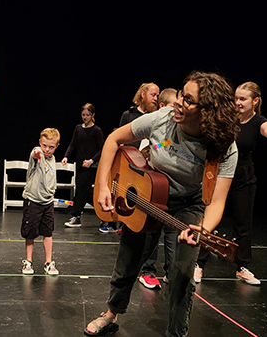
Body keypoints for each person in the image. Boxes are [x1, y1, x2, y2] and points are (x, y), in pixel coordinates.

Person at [84, 71, 239, 337]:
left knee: (182, 274)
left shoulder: (223, 147)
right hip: (146, 192)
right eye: (181, 94)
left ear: (208, 112)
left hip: (187, 203)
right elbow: (113, 140)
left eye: (188, 100)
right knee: (128, 262)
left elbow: (216, 202)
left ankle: (176, 332)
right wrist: (102, 188)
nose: (179, 102)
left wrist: (202, 229)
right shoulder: (162, 119)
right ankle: (111, 313)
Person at [195, 81, 267, 286]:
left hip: (243, 176)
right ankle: (198, 263)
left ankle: (241, 266)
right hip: (218, 174)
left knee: (243, 223)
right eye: (236, 98)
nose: (237, 102)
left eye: (242, 99)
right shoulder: (227, 117)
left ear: (255, 101)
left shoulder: (258, 121)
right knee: (209, 218)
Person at [136, 88, 180, 290]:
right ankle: (147, 271)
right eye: (174, 106)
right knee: (150, 236)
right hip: (153, 194)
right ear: (163, 107)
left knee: (173, 237)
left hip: (173, 194)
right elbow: (147, 153)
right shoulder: (153, 132)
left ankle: (172, 272)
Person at [21, 128, 61, 276]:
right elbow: (35, 152)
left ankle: (48, 262)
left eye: (51, 147)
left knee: (48, 233)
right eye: (44, 145)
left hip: (48, 203)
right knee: (30, 234)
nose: (47, 150)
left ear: (56, 146)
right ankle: (28, 261)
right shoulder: (38, 155)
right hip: (33, 201)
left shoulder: (53, 159)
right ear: (40, 143)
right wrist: (37, 153)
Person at [62, 103, 105, 231]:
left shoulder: (96, 130)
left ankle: (76, 216)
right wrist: (66, 156)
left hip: (90, 166)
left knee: (82, 190)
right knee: (84, 193)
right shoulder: (78, 128)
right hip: (80, 164)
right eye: (83, 115)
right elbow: (72, 144)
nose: (85, 117)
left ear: (93, 115)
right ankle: (104, 214)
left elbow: (102, 149)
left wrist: (91, 161)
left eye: (87, 115)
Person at [119, 83, 159, 149]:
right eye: (153, 95)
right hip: (129, 156)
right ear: (143, 94)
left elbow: (164, 143)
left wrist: (154, 148)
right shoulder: (128, 115)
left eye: (157, 96)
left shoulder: (156, 118)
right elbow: (120, 139)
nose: (156, 99)